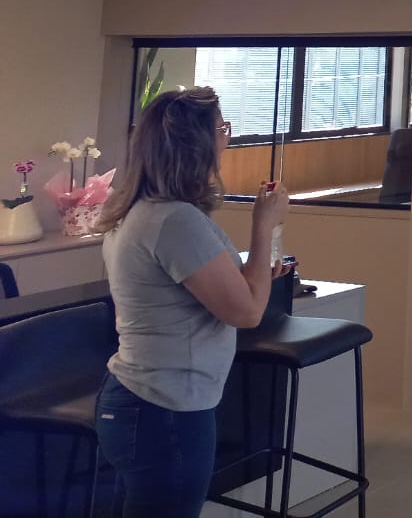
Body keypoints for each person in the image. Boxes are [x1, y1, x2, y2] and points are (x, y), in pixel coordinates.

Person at [94, 86, 289, 518]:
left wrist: (255, 272)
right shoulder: (174, 221)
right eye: (222, 129)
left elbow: (217, 292)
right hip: (164, 408)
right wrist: (264, 225)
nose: (227, 139)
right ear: (196, 145)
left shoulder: (146, 212)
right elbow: (247, 312)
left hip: (148, 400)